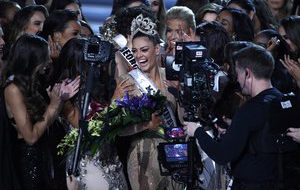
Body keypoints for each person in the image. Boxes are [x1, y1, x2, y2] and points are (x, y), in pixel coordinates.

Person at [183, 43, 285, 189]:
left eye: (238, 73)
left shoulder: (248, 111)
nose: (236, 79)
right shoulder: (281, 100)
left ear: (247, 73)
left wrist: (197, 131)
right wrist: (234, 129)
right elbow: (263, 136)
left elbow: (222, 155)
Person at [1, 34, 79, 190]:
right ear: (32, 59)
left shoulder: (34, 83)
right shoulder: (13, 89)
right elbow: (30, 137)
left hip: (45, 154)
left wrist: (60, 101)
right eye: (45, 57)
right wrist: (53, 106)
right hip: (29, 160)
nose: (49, 61)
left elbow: (46, 122)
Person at [49, 37, 128, 190]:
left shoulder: (97, 87)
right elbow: (87, 129)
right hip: (89, 164)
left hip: (111, 160)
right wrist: (114, 102)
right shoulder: (65, 92)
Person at [113, 13, 180, 190]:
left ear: (157, 49)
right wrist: (145, 125)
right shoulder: (127, 82)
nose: (139, 56)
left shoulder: (171, 78)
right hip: (142, 154)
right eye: (134, 51)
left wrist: (180, 93)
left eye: (144, 50)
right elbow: (118, 129)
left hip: (175, 153)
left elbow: (183, 118)